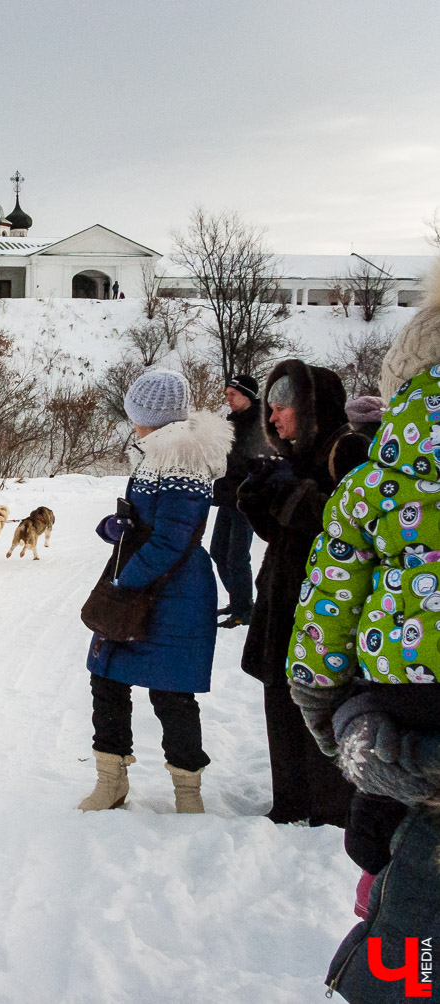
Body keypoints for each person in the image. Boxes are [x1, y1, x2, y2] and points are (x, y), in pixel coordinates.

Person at [283, 296, 440, 996]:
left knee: (404, 915)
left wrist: (338, 731)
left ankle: (403, 970)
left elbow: (321, 638)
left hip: (409, 717)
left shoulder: (371, 486)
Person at [79, 370, 231, 813]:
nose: (133, 424)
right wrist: (116, 527)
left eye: (136, 416)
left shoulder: (182, 458)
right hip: (145, 583)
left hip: (174, 590)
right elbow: (149, 525)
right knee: (106, 677)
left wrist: (123, 583)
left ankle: (188, 795)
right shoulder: (154, 455)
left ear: (152, 417)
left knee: (172, 692)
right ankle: (111, 781)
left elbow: (173, 539)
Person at [237, 359, 371, 826]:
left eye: (280, 408)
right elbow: (284, 533)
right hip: (285, 600)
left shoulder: (348, 450)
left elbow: (348, 523)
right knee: (280, 701)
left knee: (320, 708)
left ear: (311, 407)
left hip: (327, 610)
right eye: (269, 409)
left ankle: (329, 809)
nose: (271, 418)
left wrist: (289, 496)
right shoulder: (295, 453)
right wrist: (257, 499)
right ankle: (290, 801)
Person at [209, 374, 269, 629]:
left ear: (246, 395)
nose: (228, 398)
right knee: (218, 551)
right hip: (227, 497)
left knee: (236, 555)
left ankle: (244, 609)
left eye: (232, 394)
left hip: (245, 499)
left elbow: (256, 461)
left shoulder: (259, 423)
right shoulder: (231, 422)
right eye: (226, 394)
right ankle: (239, 601)